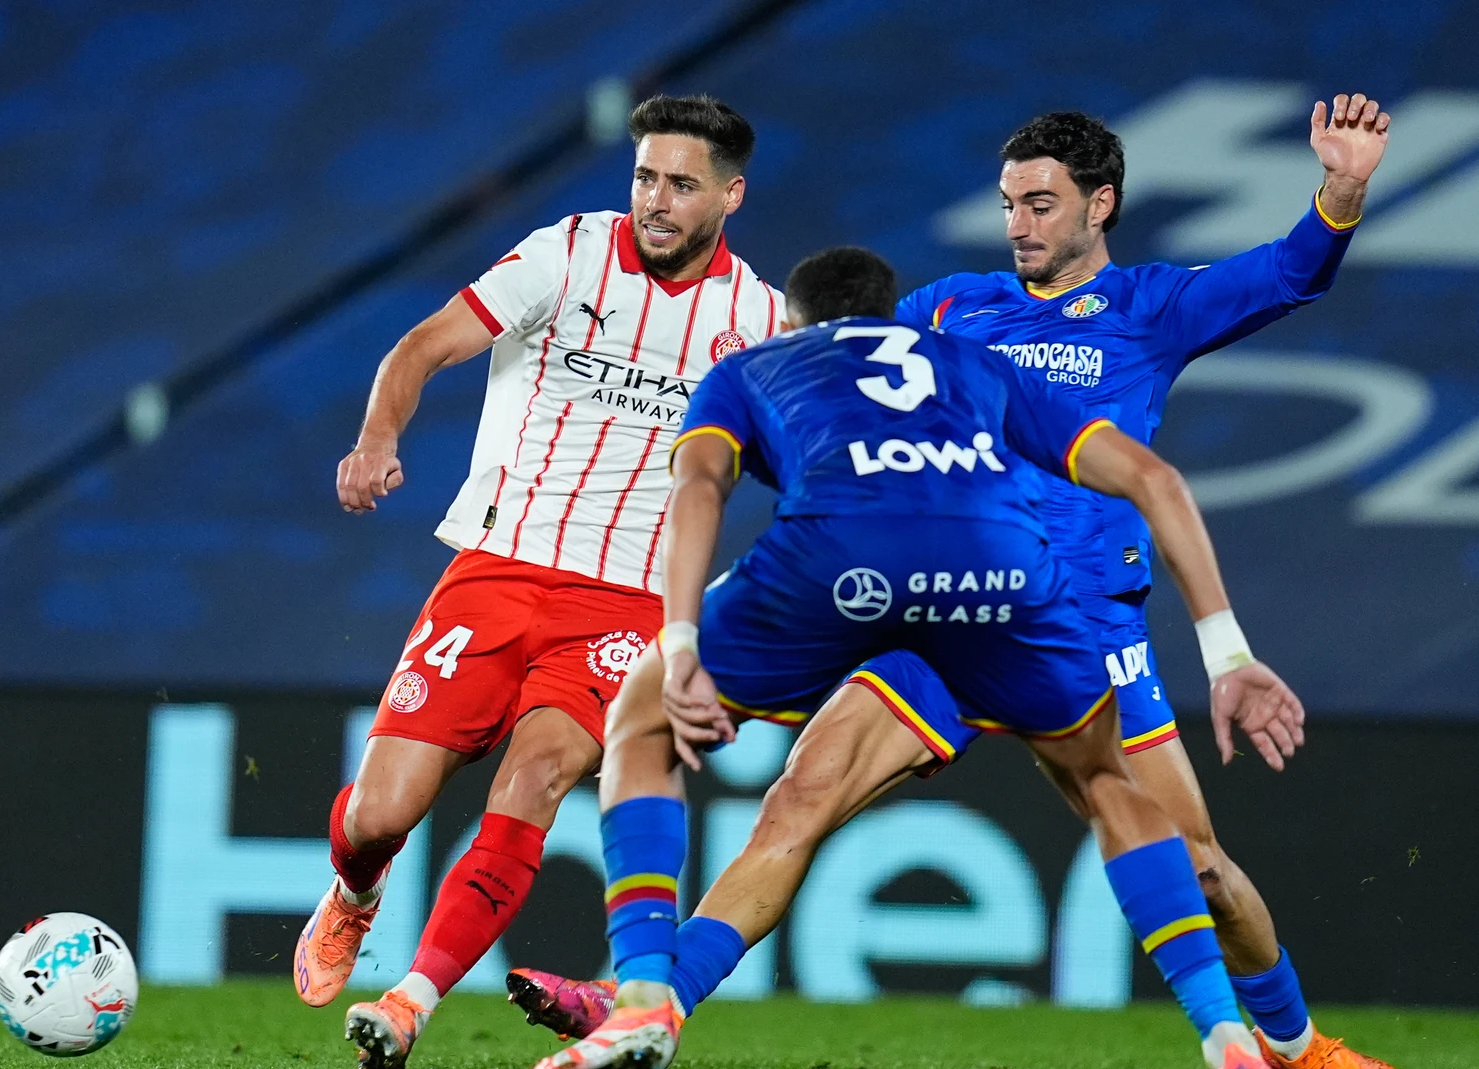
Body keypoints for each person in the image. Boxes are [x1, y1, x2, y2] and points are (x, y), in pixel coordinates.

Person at [529, 246, 1305, 1069]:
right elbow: (1155, 479)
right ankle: (1226, 1037)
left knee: (642, 718)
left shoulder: (757, 366)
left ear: (797, 322)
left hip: (854, 563)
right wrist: (1228, 653)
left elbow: (697, 489)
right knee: (1093, 782)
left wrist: (680, 640)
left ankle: (644, 995)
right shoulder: (973, 362)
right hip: (1008, 583)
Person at [894, 98, 1396, 1069]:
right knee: (803, 794)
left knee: (1198, 868)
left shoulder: (1150, 308)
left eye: (1040, 204)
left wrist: (1341, 188)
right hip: (958, 620)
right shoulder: (950, 307)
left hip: (1088, 629)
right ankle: (650, 990)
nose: (1017, 225)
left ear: (1100, 205)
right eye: (1008, 204)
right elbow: (846, 356)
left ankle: (1299, 1052)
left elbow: (1290, 273)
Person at [290, 94, 783, 1069]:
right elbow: (424, 344)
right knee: (382, 815)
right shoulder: (566, 252)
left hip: (625, 603)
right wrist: (377, 438)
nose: (654, 200)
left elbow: (785, 457)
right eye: (645, 176)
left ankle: (410, 1001)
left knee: (539, 774)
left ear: (730, 195)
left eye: (681, 184)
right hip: (497, 569)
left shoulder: (761, 319)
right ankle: (353, 890)